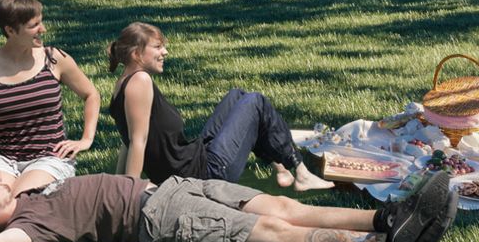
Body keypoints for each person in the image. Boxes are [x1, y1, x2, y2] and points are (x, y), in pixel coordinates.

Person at [0, 167, 456, 242]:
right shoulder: (27, 227)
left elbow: (10, 166)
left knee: (284, 205)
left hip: (173, 188)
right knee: (275, 233)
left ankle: (389, 218)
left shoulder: (25, 191)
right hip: (160, 217)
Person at [107, 23, 331, 192]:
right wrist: (130, 194)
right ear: (136, 54)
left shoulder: (123, 84)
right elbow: (137, 141)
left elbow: (126, 141)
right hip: (204, 176)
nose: (165, 52)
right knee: (255, 101)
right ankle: (299, 170)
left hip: (196, 160)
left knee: (237, 96)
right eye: (157, 47)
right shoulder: (140, 81)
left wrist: (118, 184)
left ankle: (281, 167)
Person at [0, 0, 99, 195]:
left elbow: (91, 95)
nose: (42, 29)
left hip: (49, 158)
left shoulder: (54, 58)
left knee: (21, 200)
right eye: (33, 25)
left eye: (41, 22)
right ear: (10, 30)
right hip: (5, 160)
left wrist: (86, 139)